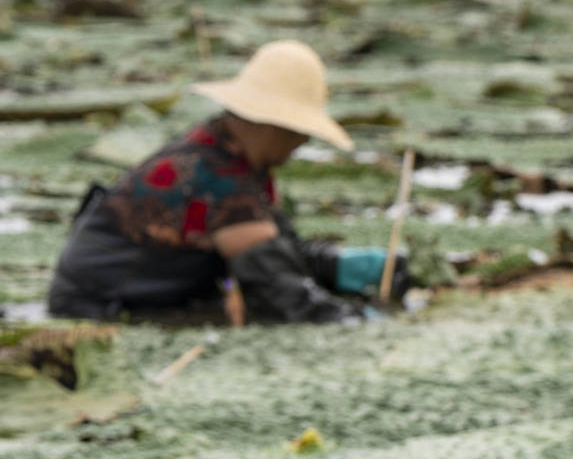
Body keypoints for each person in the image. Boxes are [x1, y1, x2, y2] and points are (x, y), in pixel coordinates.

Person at [47, 39, 404, 324]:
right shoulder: (218, 178)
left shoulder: (223, 151)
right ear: (272, 124)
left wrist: (345, 265)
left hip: (122, 299)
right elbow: (279, 291)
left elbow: (279, 249)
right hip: (100, 311)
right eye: (299, 130)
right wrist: (359, 321)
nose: (303, 141)